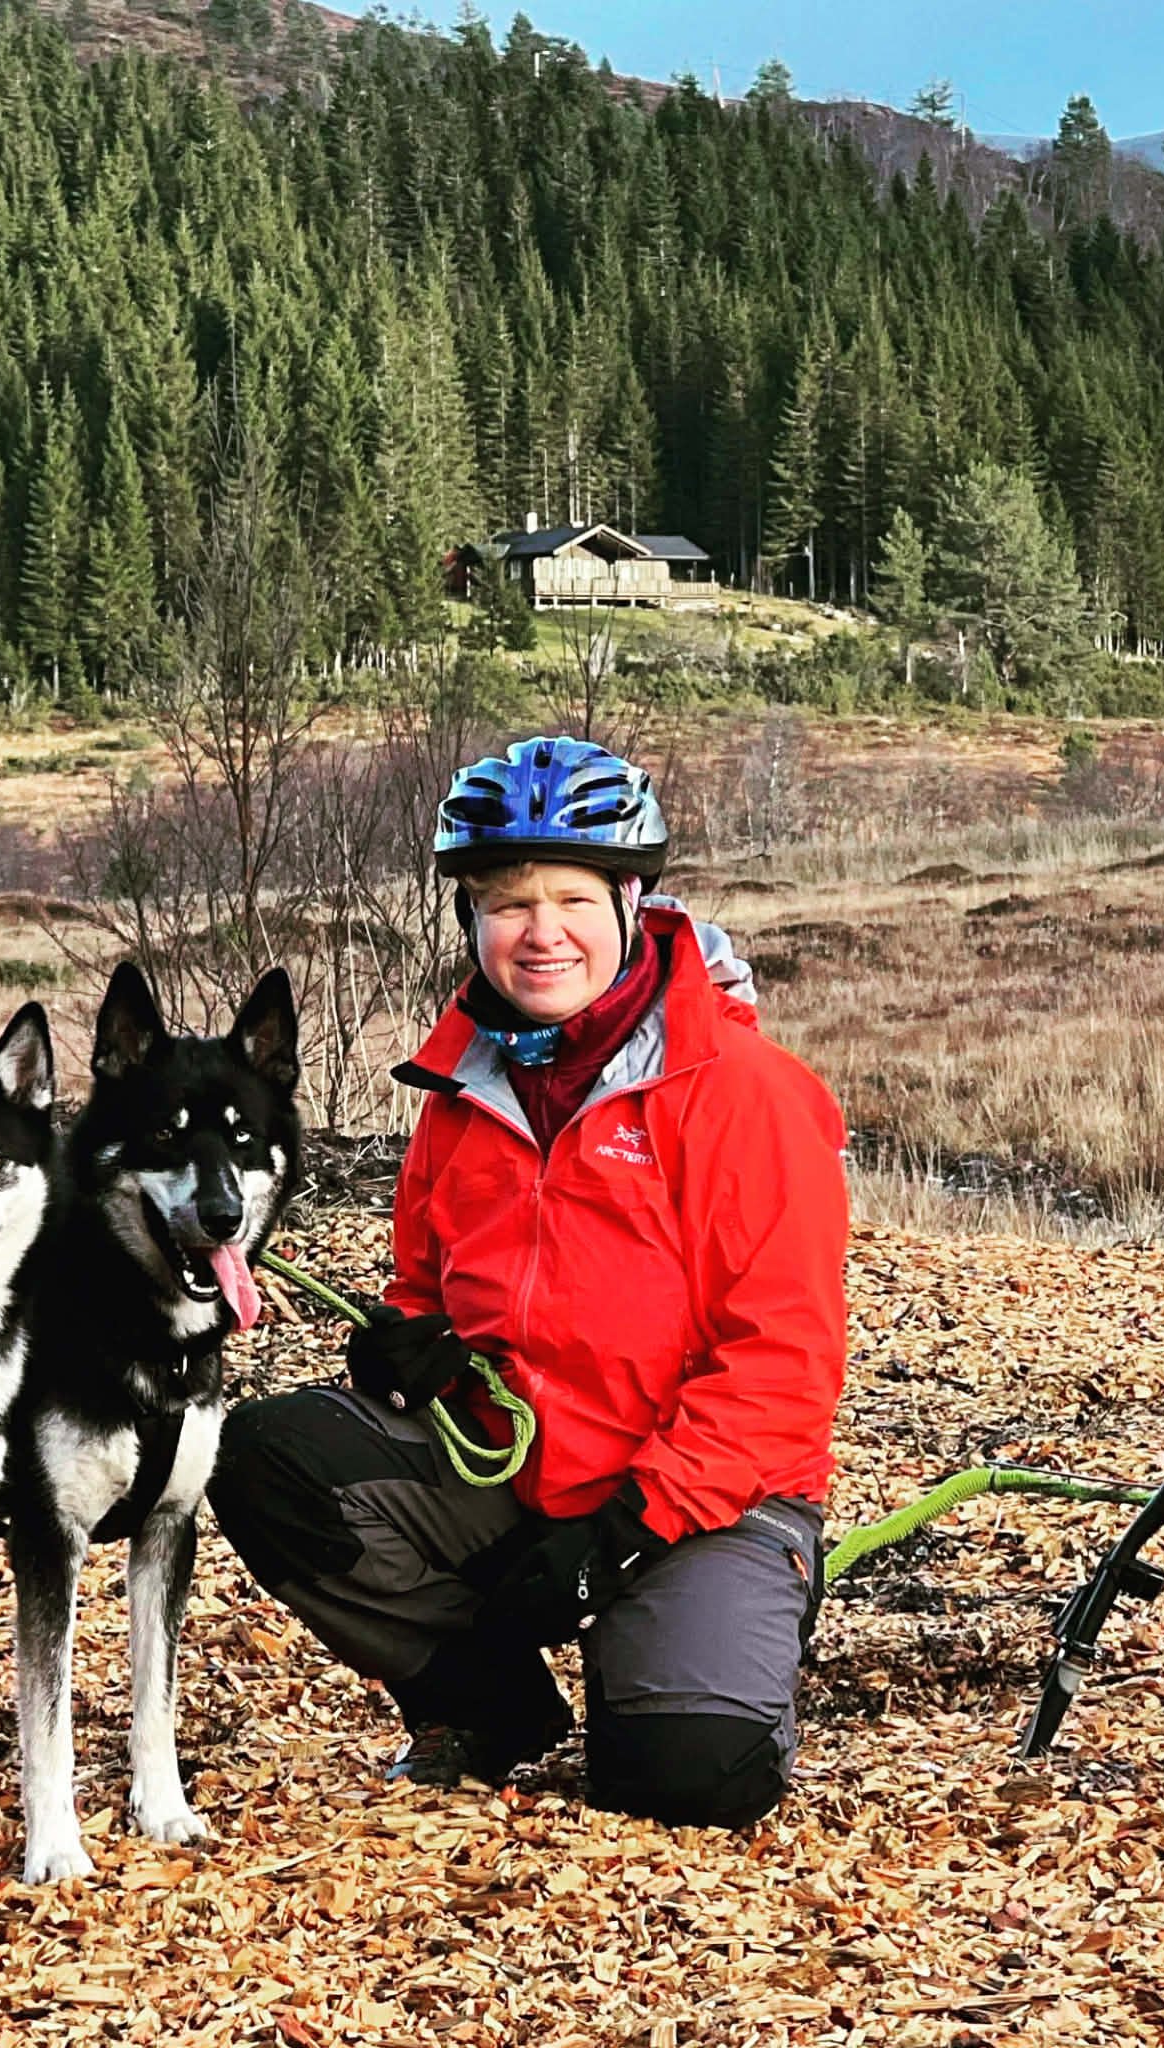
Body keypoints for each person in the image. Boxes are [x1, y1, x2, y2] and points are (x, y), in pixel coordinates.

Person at [209, 736, 848, 1828]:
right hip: (511, 1474)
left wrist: (618, 1540)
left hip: (702, 1499)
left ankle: (685, 1637)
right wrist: (401, 1346)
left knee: (686, 1779)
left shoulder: (746, 1092)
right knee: (268, 1457)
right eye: (507, 902)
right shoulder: (461, 1090)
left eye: (568, 898)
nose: (539, 932)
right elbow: (424, 1282)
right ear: (469, 918)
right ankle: (488, 1709)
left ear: (630, 902)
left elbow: (780, 1366)